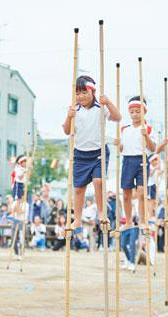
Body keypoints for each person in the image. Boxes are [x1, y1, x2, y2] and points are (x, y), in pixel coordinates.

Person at [63, 75, 122, 234]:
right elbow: (67, 130)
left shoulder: (100, 108)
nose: (81, 96)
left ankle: (102, 213)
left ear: (92, 92)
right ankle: (77, 219)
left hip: (98, 153)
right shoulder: (75, 110)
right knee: (78, 189)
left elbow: (117, 117)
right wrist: (69, 116)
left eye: (84, 92)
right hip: (80, 154)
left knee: (98, 182)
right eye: (78, 93)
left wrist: (108, 102)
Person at [117, 96, 156, 230]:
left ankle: (142, 221)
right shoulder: (124, 129)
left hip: (142, 160)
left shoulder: (149, 128)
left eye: (138, 111)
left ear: (144, 111)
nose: (134, 114)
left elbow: (153, 148)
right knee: (126, 193)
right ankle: (128, 221)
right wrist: (118, 145)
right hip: (127, 160)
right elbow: (121, 149)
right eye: (132, 111)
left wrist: (146, 136)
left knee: (141, 193)